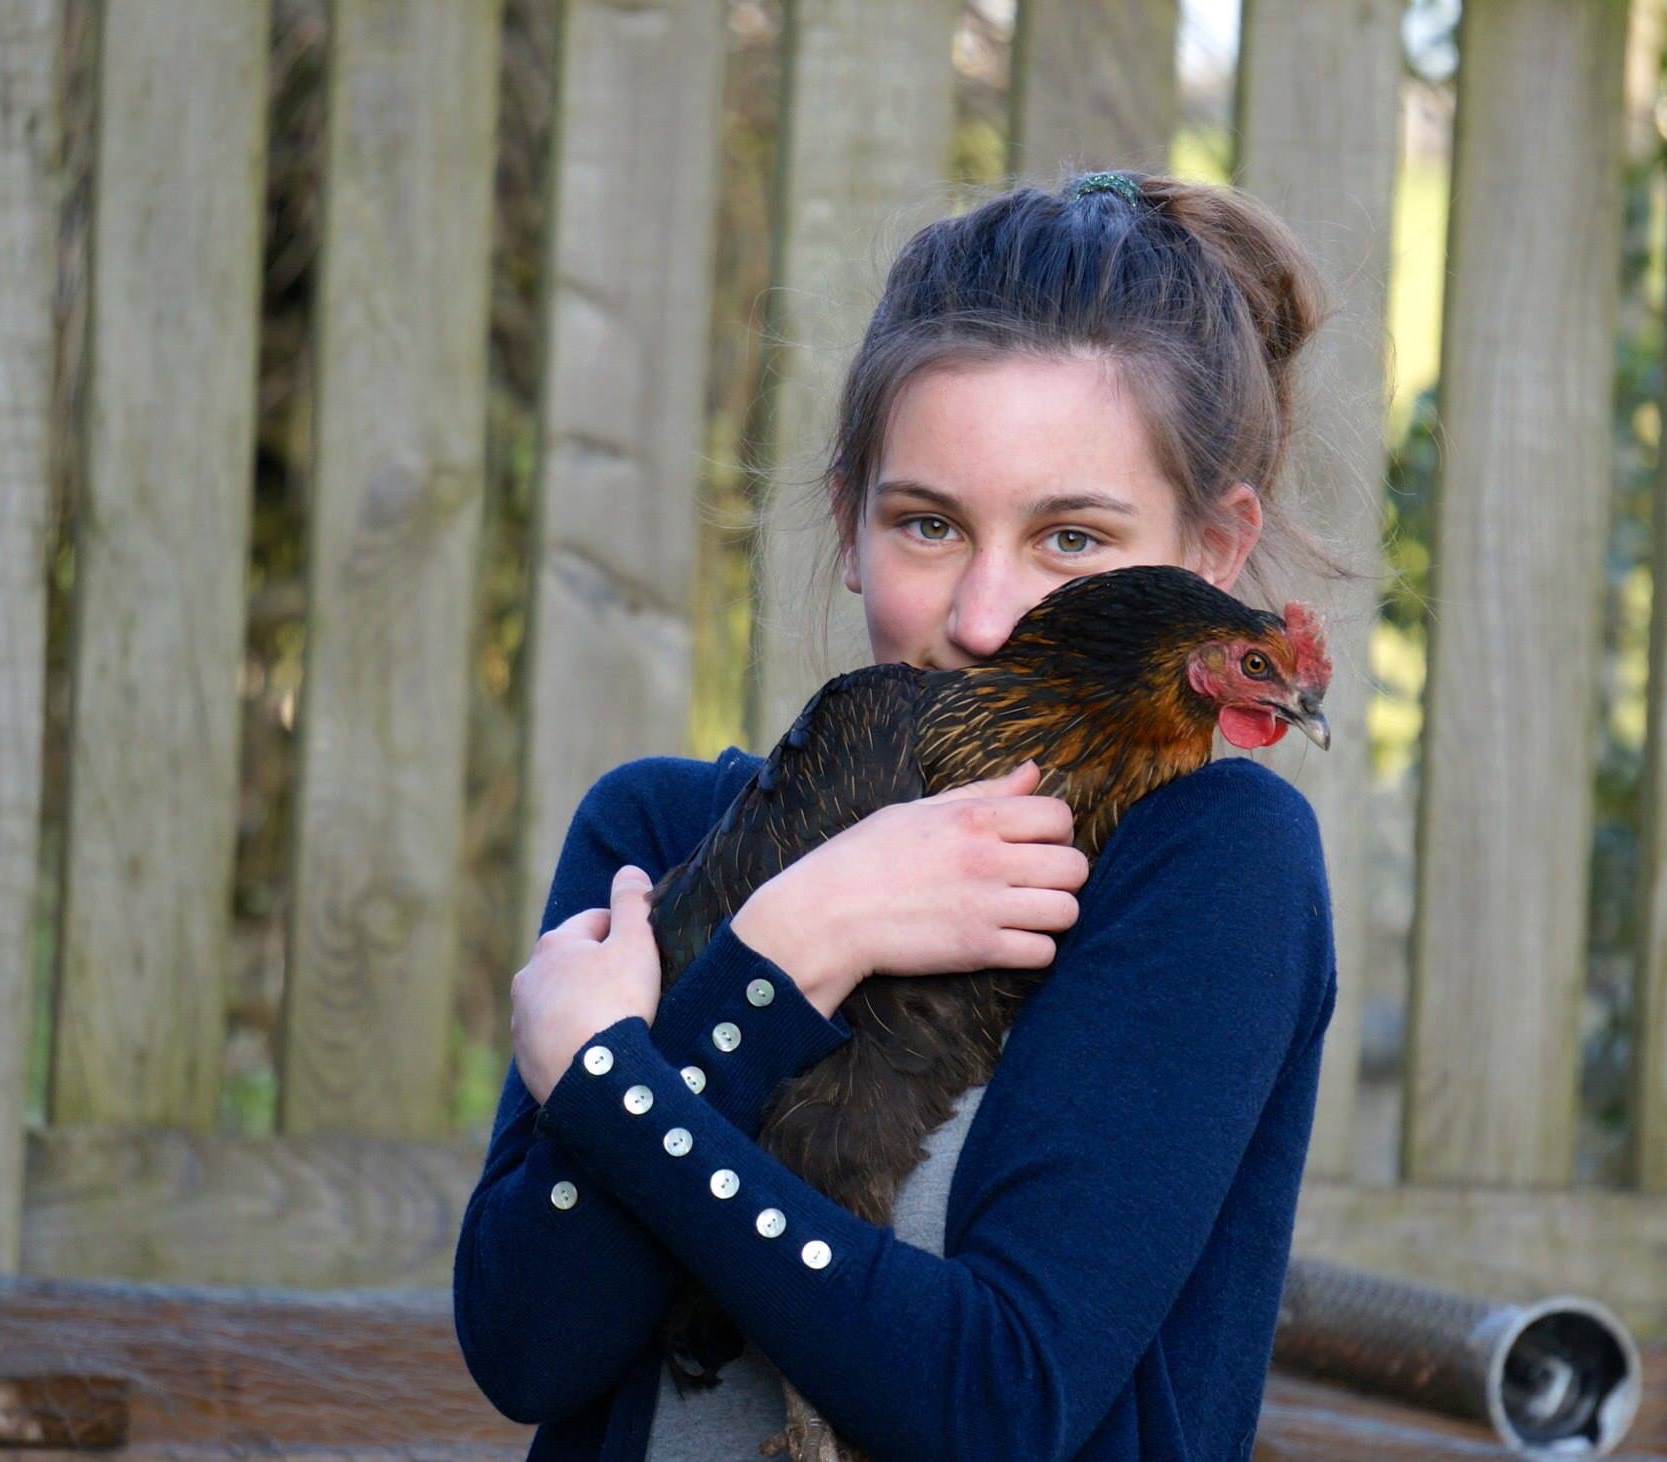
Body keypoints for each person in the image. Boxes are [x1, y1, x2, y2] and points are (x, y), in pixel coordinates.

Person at [454, 168, 1356, 1460]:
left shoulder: (1207, 871)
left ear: (1214, 556)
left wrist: (615, 1081)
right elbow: (528, 1339)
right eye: (928, 524)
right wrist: (792, 948)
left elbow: (995, 1402)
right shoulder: (656, 833)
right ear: (848, 523)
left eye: (1073, 541)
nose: (988, 615)